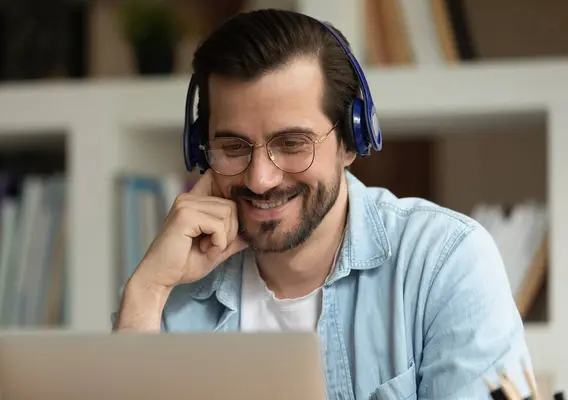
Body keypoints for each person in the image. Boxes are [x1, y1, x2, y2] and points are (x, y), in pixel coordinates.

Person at [114, 8, 535, 399]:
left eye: (292, 143)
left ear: (351, 141)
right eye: (233, 146)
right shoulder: (172, 297)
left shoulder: (444, 263)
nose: (260, 178)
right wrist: (145, 292)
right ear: (202, 150)